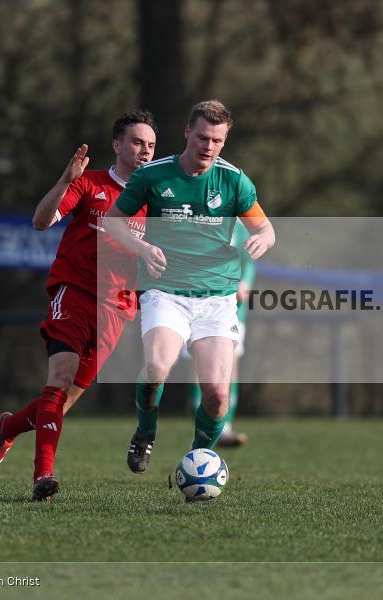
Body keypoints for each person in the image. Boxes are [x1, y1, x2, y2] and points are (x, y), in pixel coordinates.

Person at [0, 110, 157, 501]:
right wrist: (65, 180)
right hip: (74, 292)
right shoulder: (91, 184)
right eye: (136, 142)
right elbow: (41, 222)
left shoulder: (154, 197)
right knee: (58, 379)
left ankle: (7, 429)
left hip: (118, 307)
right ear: (117, 145)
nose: (144, 151)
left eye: (150, 145)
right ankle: (42, 477)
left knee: (62, 401)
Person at [106, 99, 275, 474]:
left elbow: (265, 227)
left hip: (217, 299)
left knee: (217, 395)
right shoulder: (154, 176)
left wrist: (263, 239)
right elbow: (114, 220)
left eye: (217, 140)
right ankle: (145, 433)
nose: (209, 147)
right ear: (187, 133)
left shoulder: (233, 180)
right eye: (202, 137)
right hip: (165, 292)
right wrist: (142, 246)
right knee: (156, 368)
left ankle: (198, 458)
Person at [185, 221, 254, 447]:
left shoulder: (240, 226)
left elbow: (249, 260)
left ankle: (225, 427)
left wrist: (245, 283)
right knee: (200, 369)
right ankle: (202, 427)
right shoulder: (197, 218)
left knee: (230, 369)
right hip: (196, 305)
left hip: (231, 311)